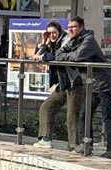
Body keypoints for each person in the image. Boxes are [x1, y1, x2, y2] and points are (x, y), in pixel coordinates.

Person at [57, 16, 111, 158]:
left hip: (105, 83)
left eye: (74, 27)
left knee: (107, 116)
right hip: (91, 84)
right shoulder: (74, 40)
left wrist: (68, 55)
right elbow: (58, 53)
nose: (70, 29)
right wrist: (69, 55)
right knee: (85, 115)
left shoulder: (88, 40)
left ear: (81, 27)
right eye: (69, 27)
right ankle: (87, 146)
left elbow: (78, 57)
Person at [32, 20, 84, 150]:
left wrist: (42, 57)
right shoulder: (51, 43)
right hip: (63, 83)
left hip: (75, 82)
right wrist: (44, 43)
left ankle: (74, 145)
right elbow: (36, 55)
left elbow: (57, 56)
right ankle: (45, 139)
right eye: (49, 33)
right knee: (46, 107)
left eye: (54, 33)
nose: (52, 35)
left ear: (59, 32)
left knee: (72, 114)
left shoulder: (67, 40)